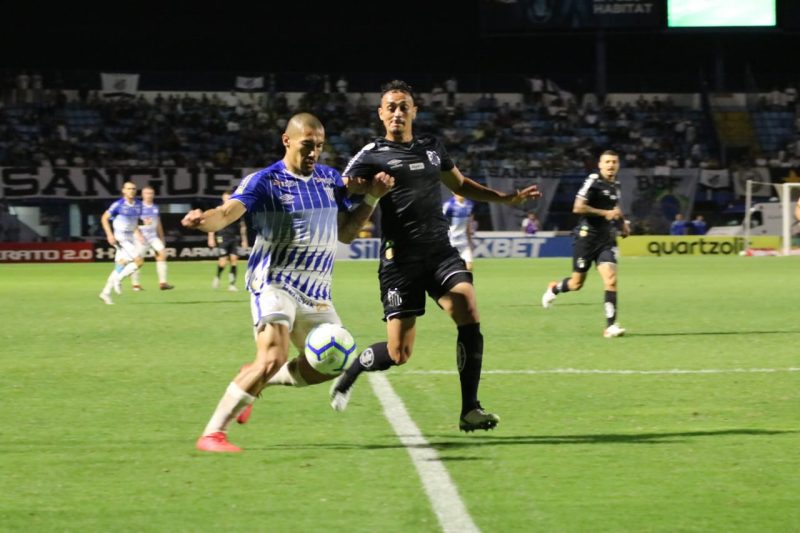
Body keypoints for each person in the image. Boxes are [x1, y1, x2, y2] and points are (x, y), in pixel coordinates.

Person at [330, 80, 541, 432]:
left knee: (467, 306)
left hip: (440, 251)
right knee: (399, 354)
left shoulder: (431, 147)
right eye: (391, 107)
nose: (398, 112)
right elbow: (339, 185)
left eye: (404, 106)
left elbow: (459, 184)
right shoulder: (371, 153)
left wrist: (505, 198)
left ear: (414, 111)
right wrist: (367, 188)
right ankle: (352, 371)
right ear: (381, 114)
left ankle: (469, 409)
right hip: (400, 261)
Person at [182, 113, 393, 452]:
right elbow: (226, 213)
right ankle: (212, 433)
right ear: (287, 141)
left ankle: (253, 381)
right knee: (272, 356)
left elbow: (347, 234)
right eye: (307, 145)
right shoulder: (264, 181)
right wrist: (202, 221)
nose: (314, 153)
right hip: (274, 283)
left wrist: (372, 198)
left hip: (317, 292)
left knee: (328, 366)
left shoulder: (329, 180)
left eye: (319, 147)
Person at [541, 150, 630, 338]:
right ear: (600, 164)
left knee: (611, 280)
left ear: (618, 165)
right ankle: (554, 288)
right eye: (607, 162)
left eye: (614, 162)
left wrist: (623, 224)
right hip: (586, 238)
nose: (611, 165)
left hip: (605, 239)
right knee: (576, 284)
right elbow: (578, 207)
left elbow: (615, 208)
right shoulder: (593, 180)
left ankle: (610, 326)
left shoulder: (616, 185)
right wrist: (604, 213)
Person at [98, 181, 145, 305]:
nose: (131, 191)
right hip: (120, 237)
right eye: (128, 188)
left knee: (121, 264)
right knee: (139, 261)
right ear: (123, 191)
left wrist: (139, 233)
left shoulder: (139, 205)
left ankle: (105, 293)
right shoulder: (118, 205)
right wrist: (109, 234)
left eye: (133, 188)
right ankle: (118, 280)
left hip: (130, 237)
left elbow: (133, 222)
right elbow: (104, 218)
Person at [131, 186, 174, 291]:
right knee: (138, 261)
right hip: (141, 238)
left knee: (162, 254)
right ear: (142, 195)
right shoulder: (138, 206)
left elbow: (158, 223)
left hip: (153, 237)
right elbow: (132, 222)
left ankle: (163, 283)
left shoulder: (155, 207)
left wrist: (162, 236)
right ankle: (135, 285)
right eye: (147, 193)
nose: (149, 195)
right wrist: (138, 234)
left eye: (151, 193)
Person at [208, 191, 249, 291]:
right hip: (222, 237)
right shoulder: (218, 210)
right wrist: (211, 237)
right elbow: (212, 223)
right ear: (223, 199)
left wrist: (244, 240)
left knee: (234, 260)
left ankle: (232, 285)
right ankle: (217, 277)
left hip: (234, 237)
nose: (227, 200)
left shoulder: (236, 210)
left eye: (229, 198)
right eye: (226, 198)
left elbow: (242, 226)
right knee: (223, 261)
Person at [442, 193, 476, 271]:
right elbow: (440, 222)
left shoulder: (469, 205)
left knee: (469, 267)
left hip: (463, 242)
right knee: (449, 268)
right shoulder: (448, 205)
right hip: (450, 242)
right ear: (453, 192)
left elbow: (467, 224)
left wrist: (470, 241)